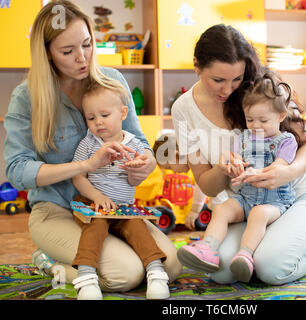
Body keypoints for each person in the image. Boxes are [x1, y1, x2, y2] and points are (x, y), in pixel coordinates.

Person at [3, 0, 181, 293]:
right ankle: (52, 264)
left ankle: (74, 263)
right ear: (47, 53)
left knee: (169, 266)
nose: (82, 58)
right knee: (126, 275)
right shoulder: (27, 97)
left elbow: (140, 141)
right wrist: (85, 166)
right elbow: (17, 170)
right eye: (68, 51)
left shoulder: (112, 81)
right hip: (57, 209)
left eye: (87, 44)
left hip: (113, 208)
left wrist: (145, 163)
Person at [171, 24, 306, 285]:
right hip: (246, 204)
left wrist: (288, 172)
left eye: (236, 79)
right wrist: (221, 169)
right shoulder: (183, 110)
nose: (228, 90)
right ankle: (271, 244)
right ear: (197, 65)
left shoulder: (262, 89)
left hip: (298, 196)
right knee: (221, 271)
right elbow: (205, 182)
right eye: (218, 80)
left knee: (270, 269)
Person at [177, 71, 299, 282]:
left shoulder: (286, 141)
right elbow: (236, 158)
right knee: (222, 209)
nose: (255, 125)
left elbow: (280, 166)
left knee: (258, 214)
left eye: (263, 120)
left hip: (274, 202)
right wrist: (232, 163)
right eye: (250, 119)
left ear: (281, 116)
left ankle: (246, 254)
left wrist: (258, 172)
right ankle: (208, 248)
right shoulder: (242, 137)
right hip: (245, 198)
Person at [71, 83, 170, 300]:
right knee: (94, 228)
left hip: (124, 208)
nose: (98, 122)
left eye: (104, 115)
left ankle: (156, 272)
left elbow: (137, 181)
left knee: (139, 229)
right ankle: (86, 277)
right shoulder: (88, 143)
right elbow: (78, 176)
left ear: (123, 113)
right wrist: (97, 196)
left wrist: (136, 172)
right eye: (90, 118)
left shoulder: (134, 145)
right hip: (94, 204)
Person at [153, 130, 207, 230]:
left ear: (176, 155)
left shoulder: (194, 159)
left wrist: (195, 210)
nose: (173, 172)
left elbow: (202, 184)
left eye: (169, 167)